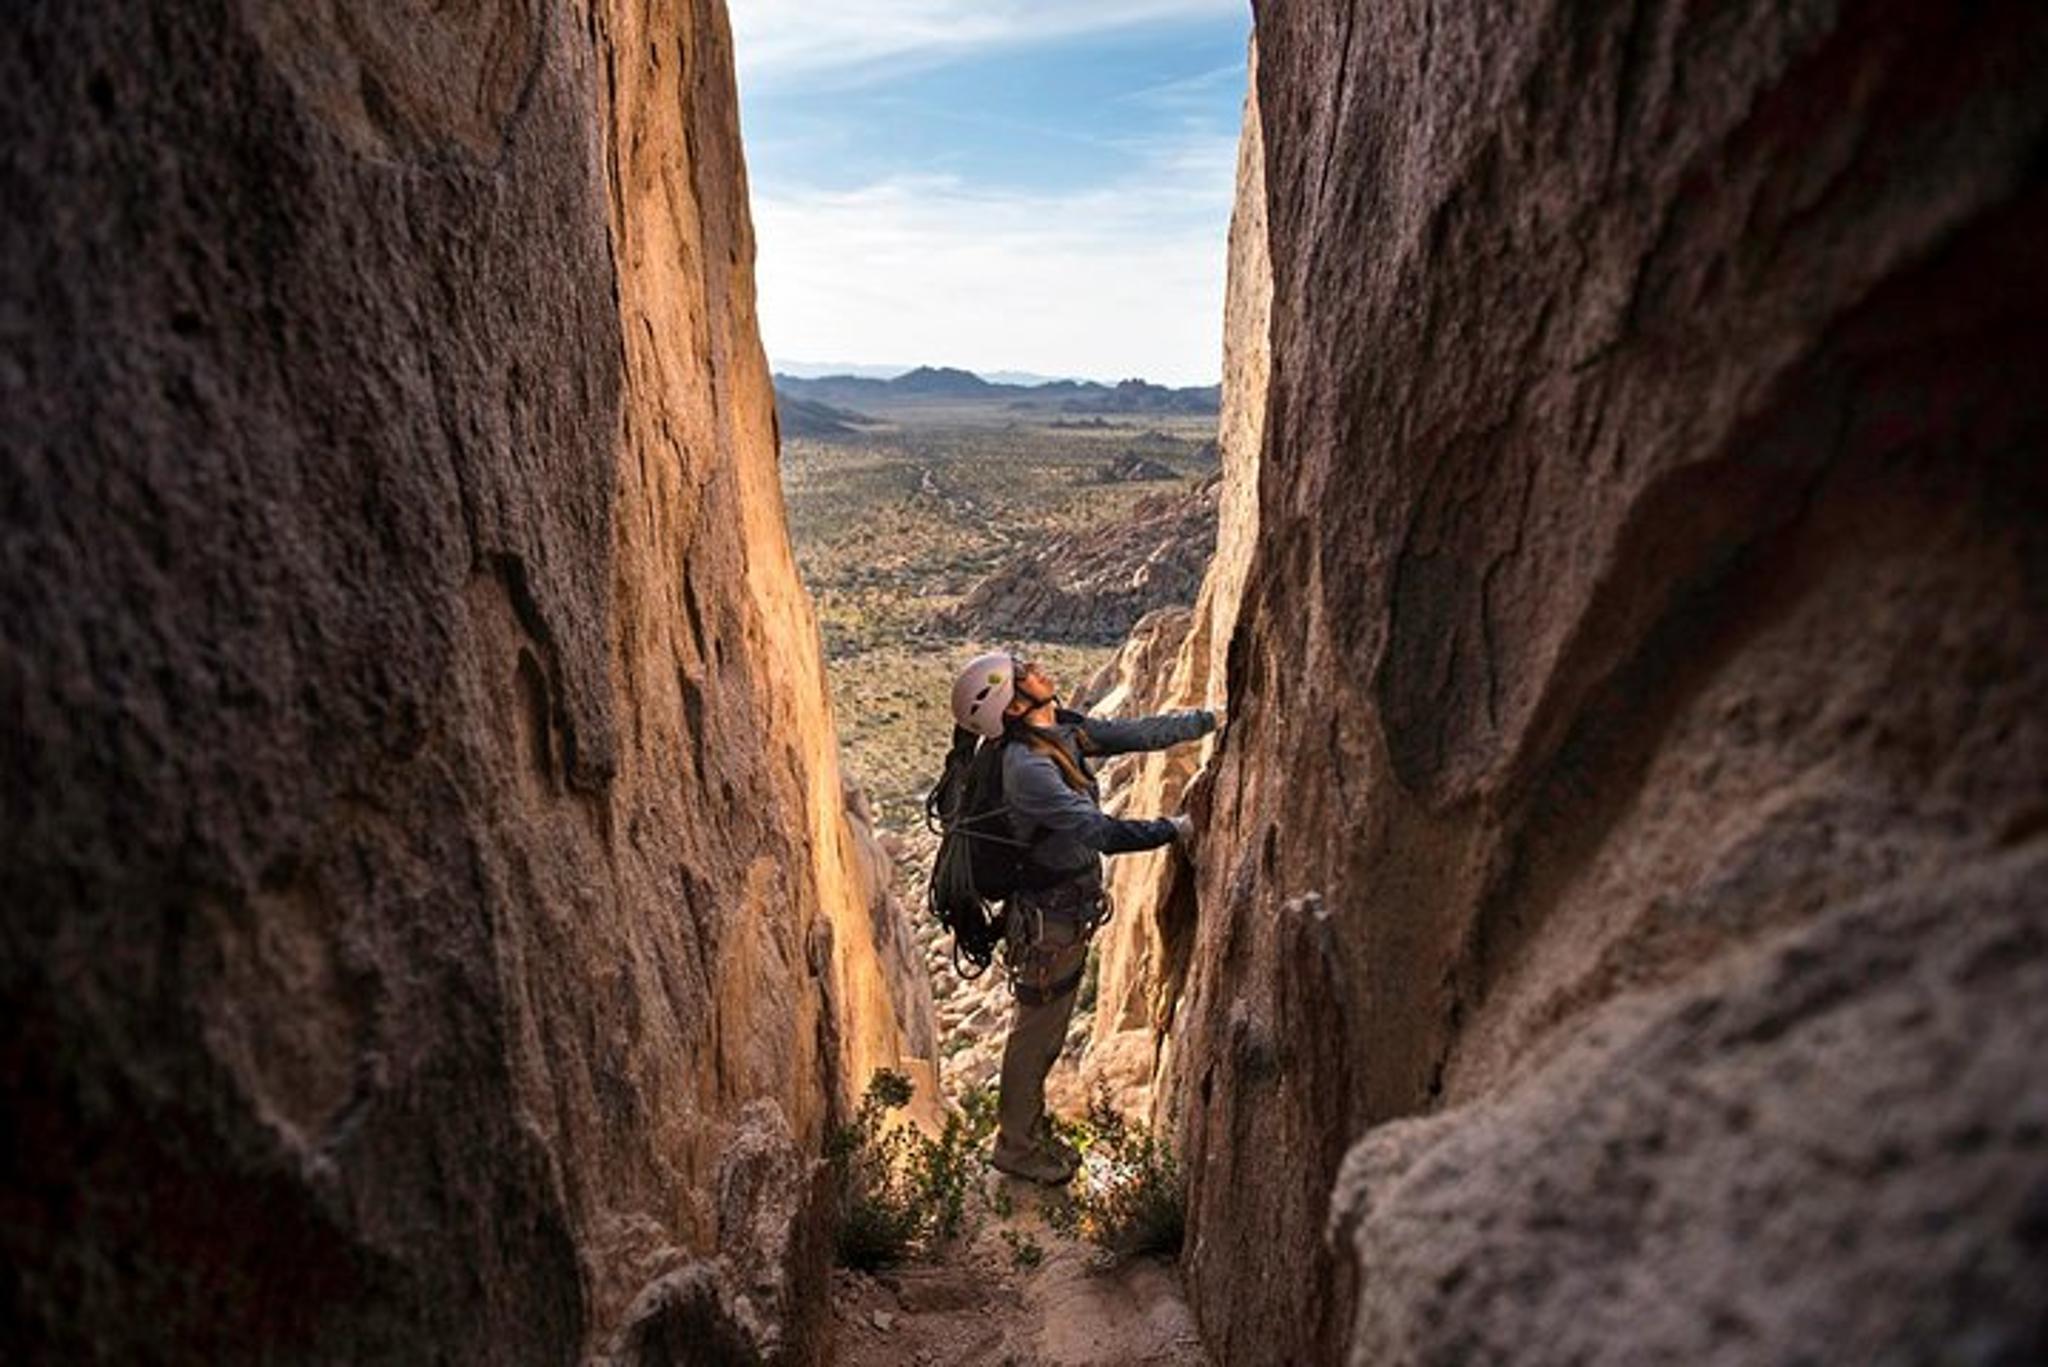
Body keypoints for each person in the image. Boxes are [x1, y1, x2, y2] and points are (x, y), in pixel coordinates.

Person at [947, 650, 1217, 1184]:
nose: (1039, 668)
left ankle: (1027, 1134)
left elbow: (1130, 734)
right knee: (1037, 1034)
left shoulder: (1058, 733)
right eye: (1025, 673)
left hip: (1062, 913)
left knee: (1044, 1032)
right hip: (1050, 921)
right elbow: (1102, 834)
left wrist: (1206, 722)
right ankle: (1017, 1148)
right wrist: (1177, 828)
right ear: (1015, 703)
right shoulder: (1029, 770)